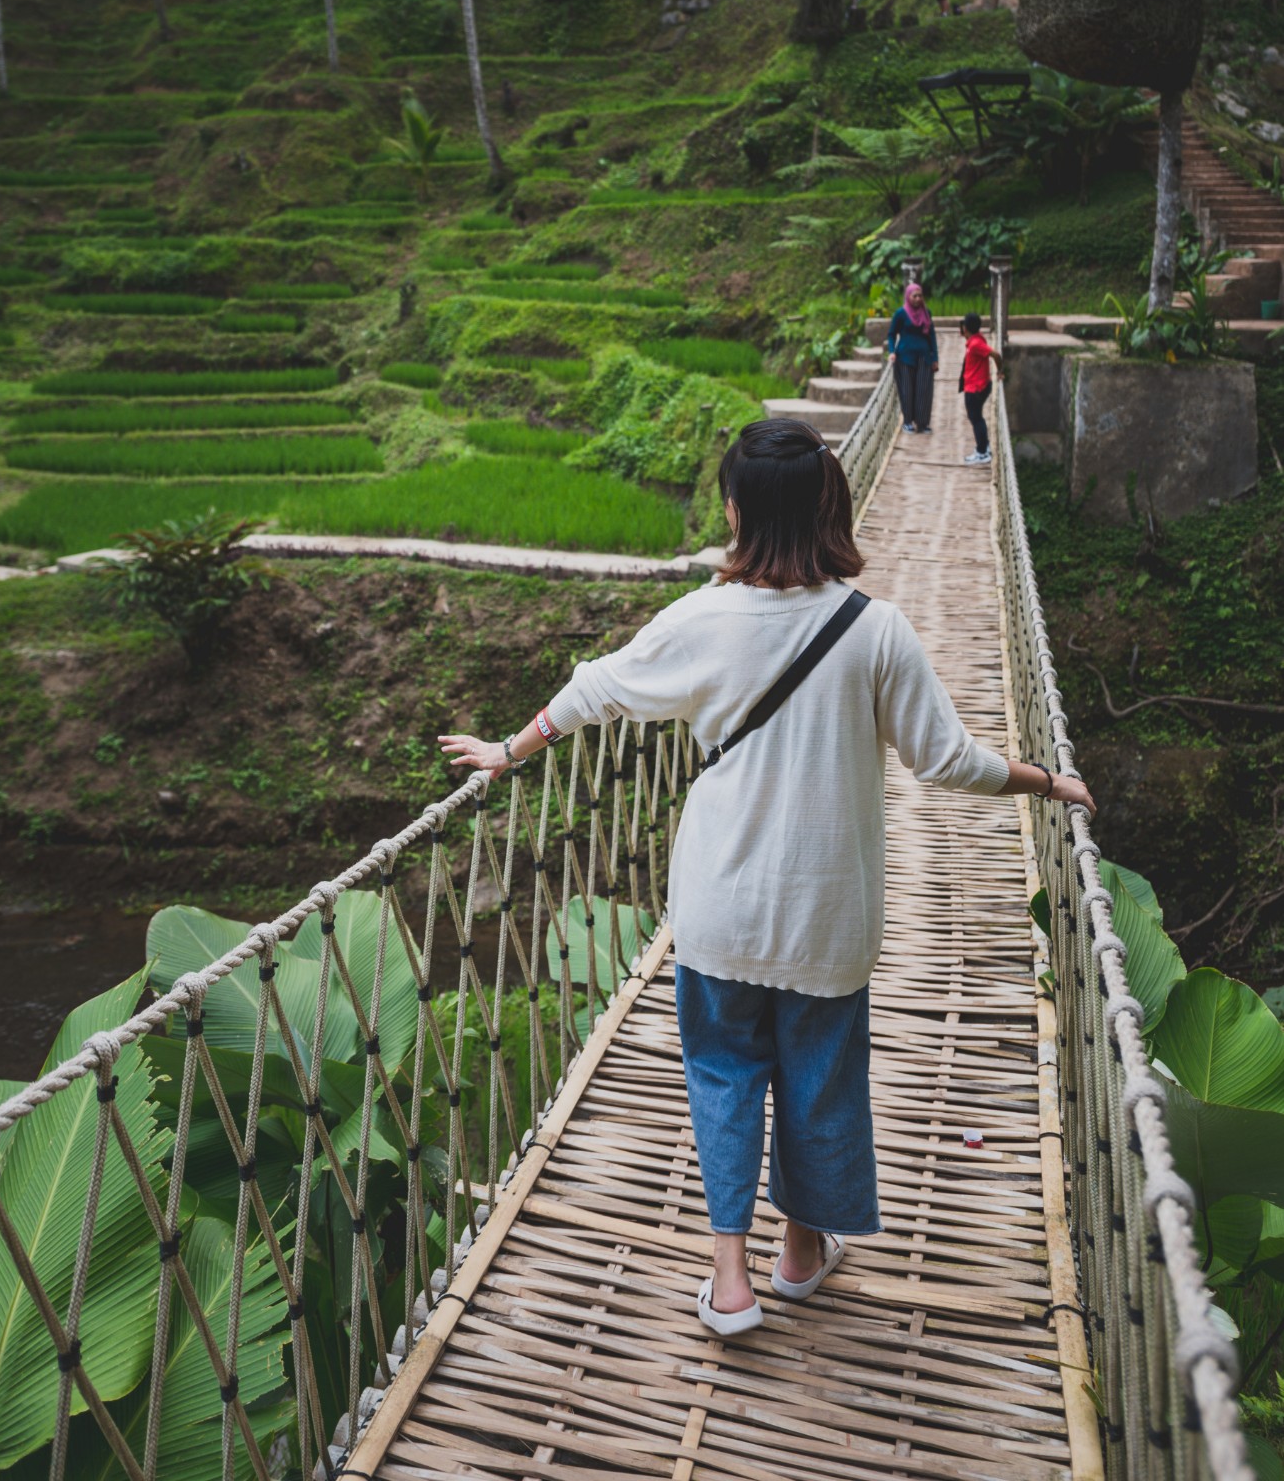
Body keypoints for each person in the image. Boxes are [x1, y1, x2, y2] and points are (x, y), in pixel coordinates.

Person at [439, 418, 1094, 1335]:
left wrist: (506, 751)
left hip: (718, 907)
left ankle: (729, 1281)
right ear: (830, 502)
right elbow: (946, 760)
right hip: (827, 918)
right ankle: (798, 1256)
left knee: (723, 1076)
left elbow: (594, 689)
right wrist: (1046, 780)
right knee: (820, 1082)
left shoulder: (699, 618)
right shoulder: (877, 631)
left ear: (735, 509)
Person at [887, 282, 938, 433]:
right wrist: (891, 351)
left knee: (924, 390)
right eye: (914, 296)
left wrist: (935, 358)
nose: (918, 298)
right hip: (904, 358)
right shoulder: (901, 314)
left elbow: (932, 337)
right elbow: (891, 334)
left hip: (924, 358)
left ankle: (922, 424)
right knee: (906, 390)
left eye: (920, 295)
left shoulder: (926, 313)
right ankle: (908, 421)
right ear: (908, 297)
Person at [959, 313, 1000, 464]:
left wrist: (1000, 371)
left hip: (975, 388)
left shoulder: (975, 344)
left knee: (976, 419)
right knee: (977, 418)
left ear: (966, 327)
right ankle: (984, 446)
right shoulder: (976, 339)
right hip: (979, 386)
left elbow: (996, 355)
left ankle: (982, 452)